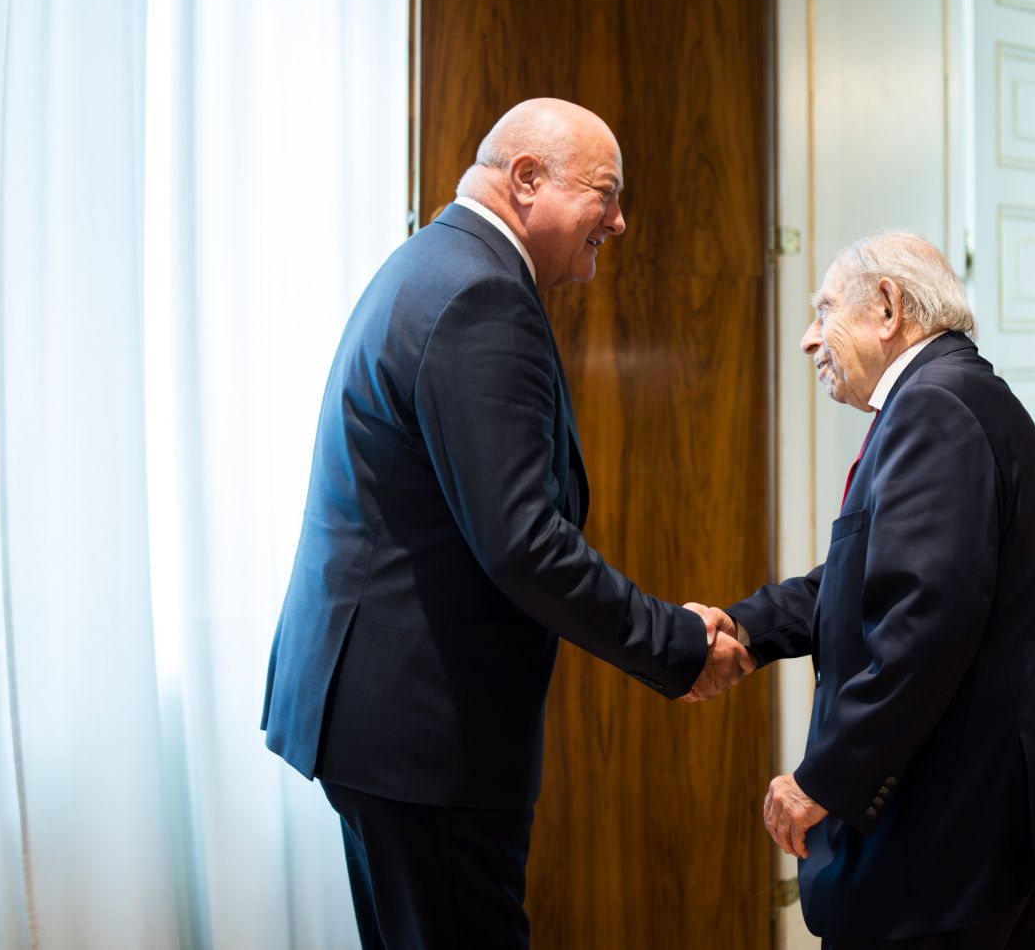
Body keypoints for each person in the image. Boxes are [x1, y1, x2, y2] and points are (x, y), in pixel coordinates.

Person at [261, 98, 752, 948]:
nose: (620, 221)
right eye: (606, 192)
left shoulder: (430, 262)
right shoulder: (479, 294)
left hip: (382, 722)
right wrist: (675, 641)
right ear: (526, 178)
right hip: (424, 736)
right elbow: (524, 544)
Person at [702, 231, 1035, 950]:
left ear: (887, 307)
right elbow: (866, 578)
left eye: (824, 309)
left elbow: (923, 625)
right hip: (986, 830)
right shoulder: (952, 395)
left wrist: (823, 778)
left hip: (955, 840)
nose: (809, 339)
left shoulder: (934, 407)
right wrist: (745, 628)